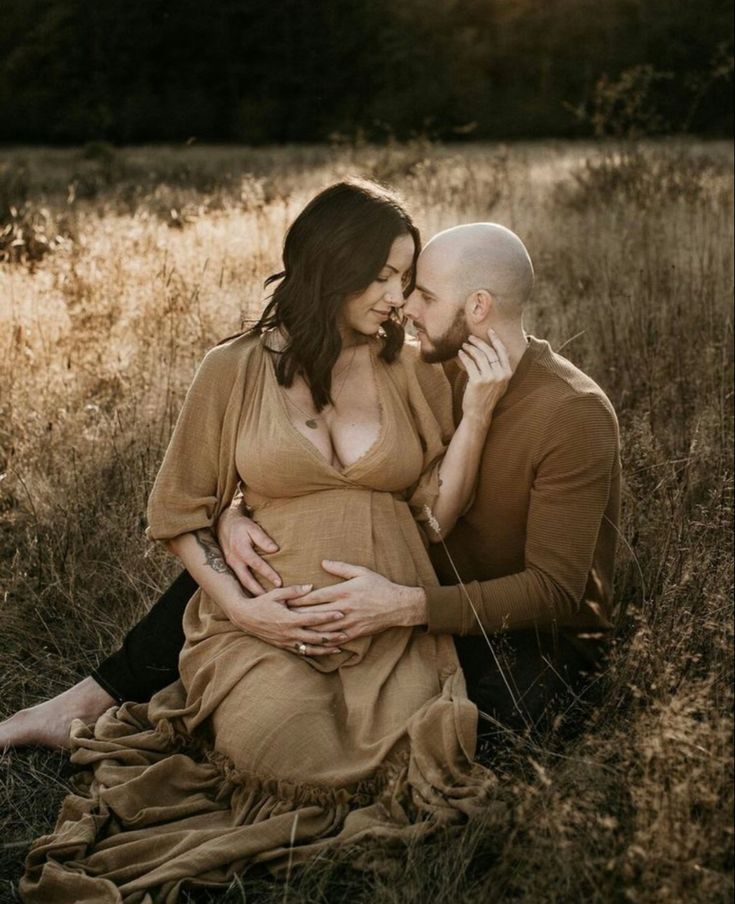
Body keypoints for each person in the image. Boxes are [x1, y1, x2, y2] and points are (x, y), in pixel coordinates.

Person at [18, 181, 513, 901]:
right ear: (326, 267)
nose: (396, 297)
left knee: (410, 760)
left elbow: (435, 514)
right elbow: (178, 515)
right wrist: (246, 611)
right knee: (291, 757)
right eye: (379, 276)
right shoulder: (233, 370)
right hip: (261, 627)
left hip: (389, 627)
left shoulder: (406, 367)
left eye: (404, 279)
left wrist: (476, 415)